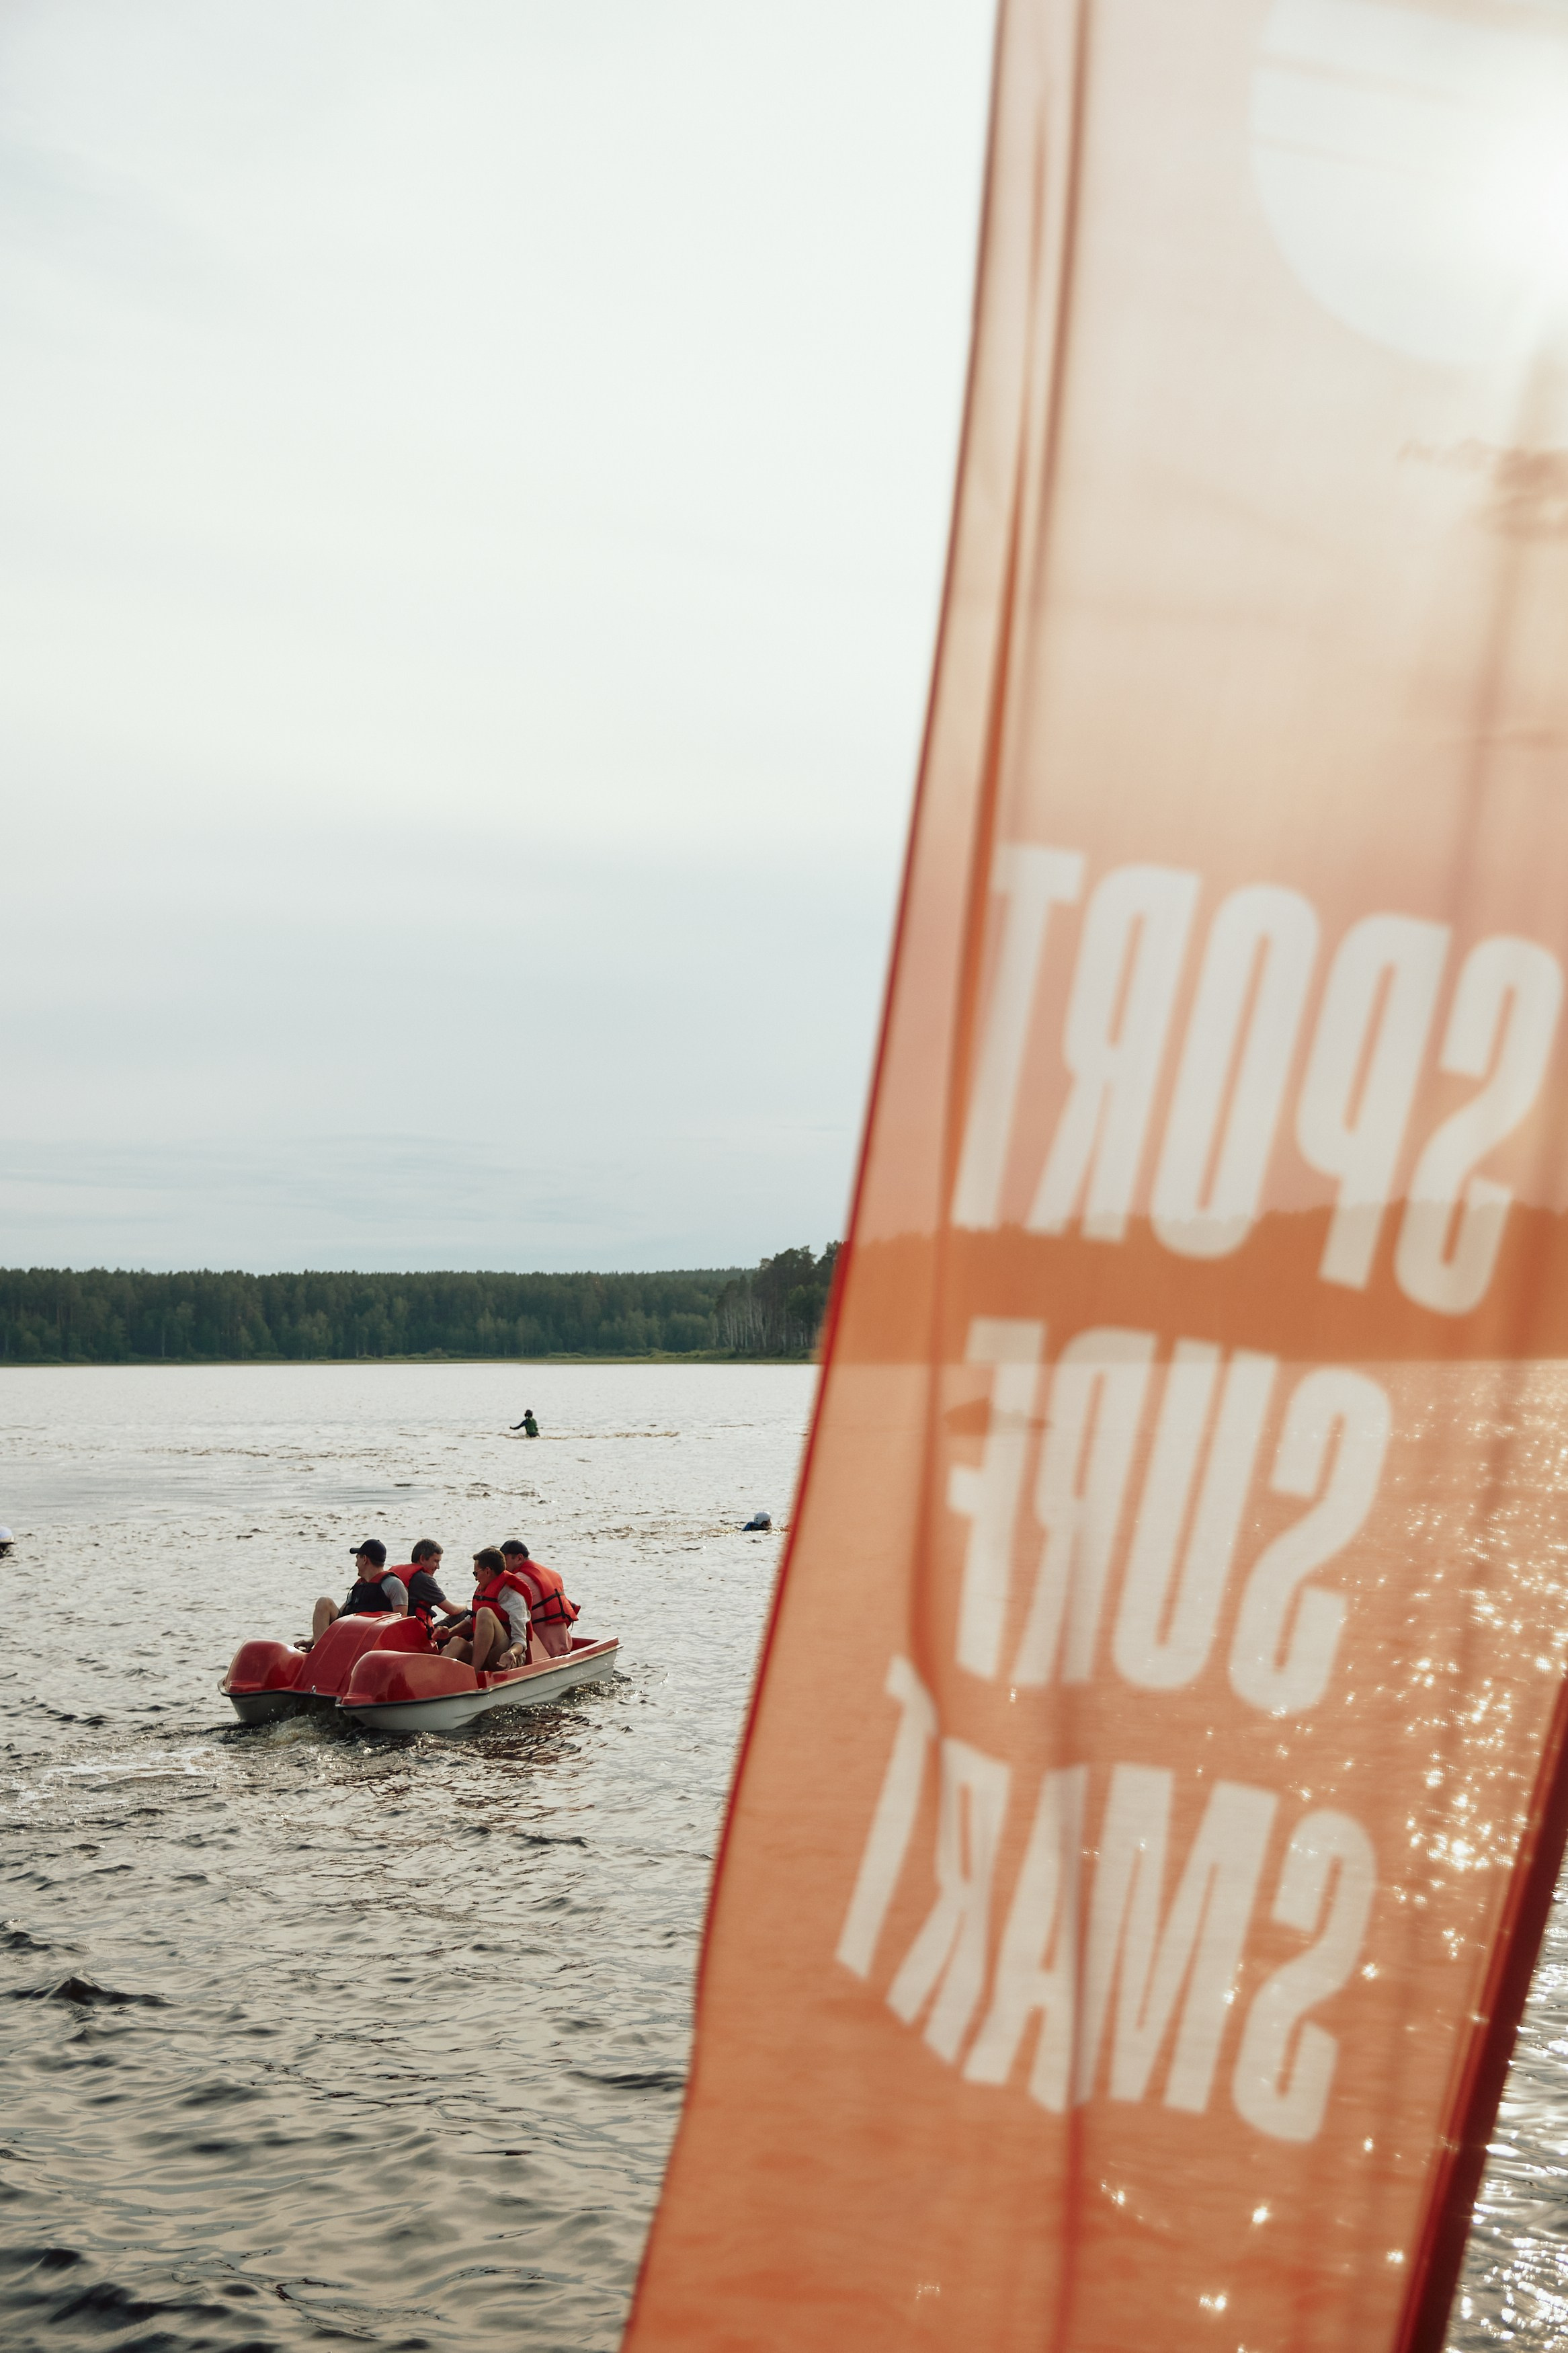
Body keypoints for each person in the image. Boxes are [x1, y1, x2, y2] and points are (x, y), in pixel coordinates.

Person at [440, 1546, 531, 1675]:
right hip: (483, 1652)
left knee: (485, 1613)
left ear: (488, 1571)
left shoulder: (514, 1599)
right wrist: (449, 1632)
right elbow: (473, 1620)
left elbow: (521, 1641)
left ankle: (473, 1674)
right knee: (456, 1642)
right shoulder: (484, 1592)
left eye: (476, 1573)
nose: (476, 1578)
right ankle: (432, 1683)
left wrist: (511, 1653)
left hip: (504, 1657)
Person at [305, 1540, 407, 1646]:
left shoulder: (394, 1585)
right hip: (351, 1637)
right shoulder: (359, 1586)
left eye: (357, 1558)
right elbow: (337, 1621)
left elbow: (400, 1624)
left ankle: (322, 1654)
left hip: (372, 1642)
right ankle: (319, 1649)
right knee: (324, 1602)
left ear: (364, 1559)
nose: (355, 1564)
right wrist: (312, 1640)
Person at [498, 1538, 579, 1659]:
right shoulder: (552, 1574)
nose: (502, 1566)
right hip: (565, 1645)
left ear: (519, 1558)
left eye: (504, 1559)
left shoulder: (516, 1581)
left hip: (543, 1652)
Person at [395, 1538, 460, 1636]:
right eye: (436, 1561)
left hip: (401, 1631)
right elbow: (452, 1610)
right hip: (419, 1635)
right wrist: (465, 1607)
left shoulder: (395, 1573)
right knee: (464, 1615)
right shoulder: (424, 1580)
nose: (438, 1567)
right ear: (422, 1559)